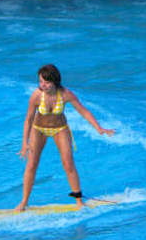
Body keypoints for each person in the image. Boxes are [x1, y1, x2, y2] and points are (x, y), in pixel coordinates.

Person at [16, 64, 115, 211]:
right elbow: (29, 119)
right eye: (41, 82)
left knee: (68, 164)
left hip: (59, 129)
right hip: (39, 130)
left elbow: (83, 111)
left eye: (47, 83)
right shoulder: (36, 95)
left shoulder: (65, 94)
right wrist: (25, 143)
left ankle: (79, 201)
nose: (42, 85)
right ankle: (24, 202)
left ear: (55, 82)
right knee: (31, 165)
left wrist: (98, 127)